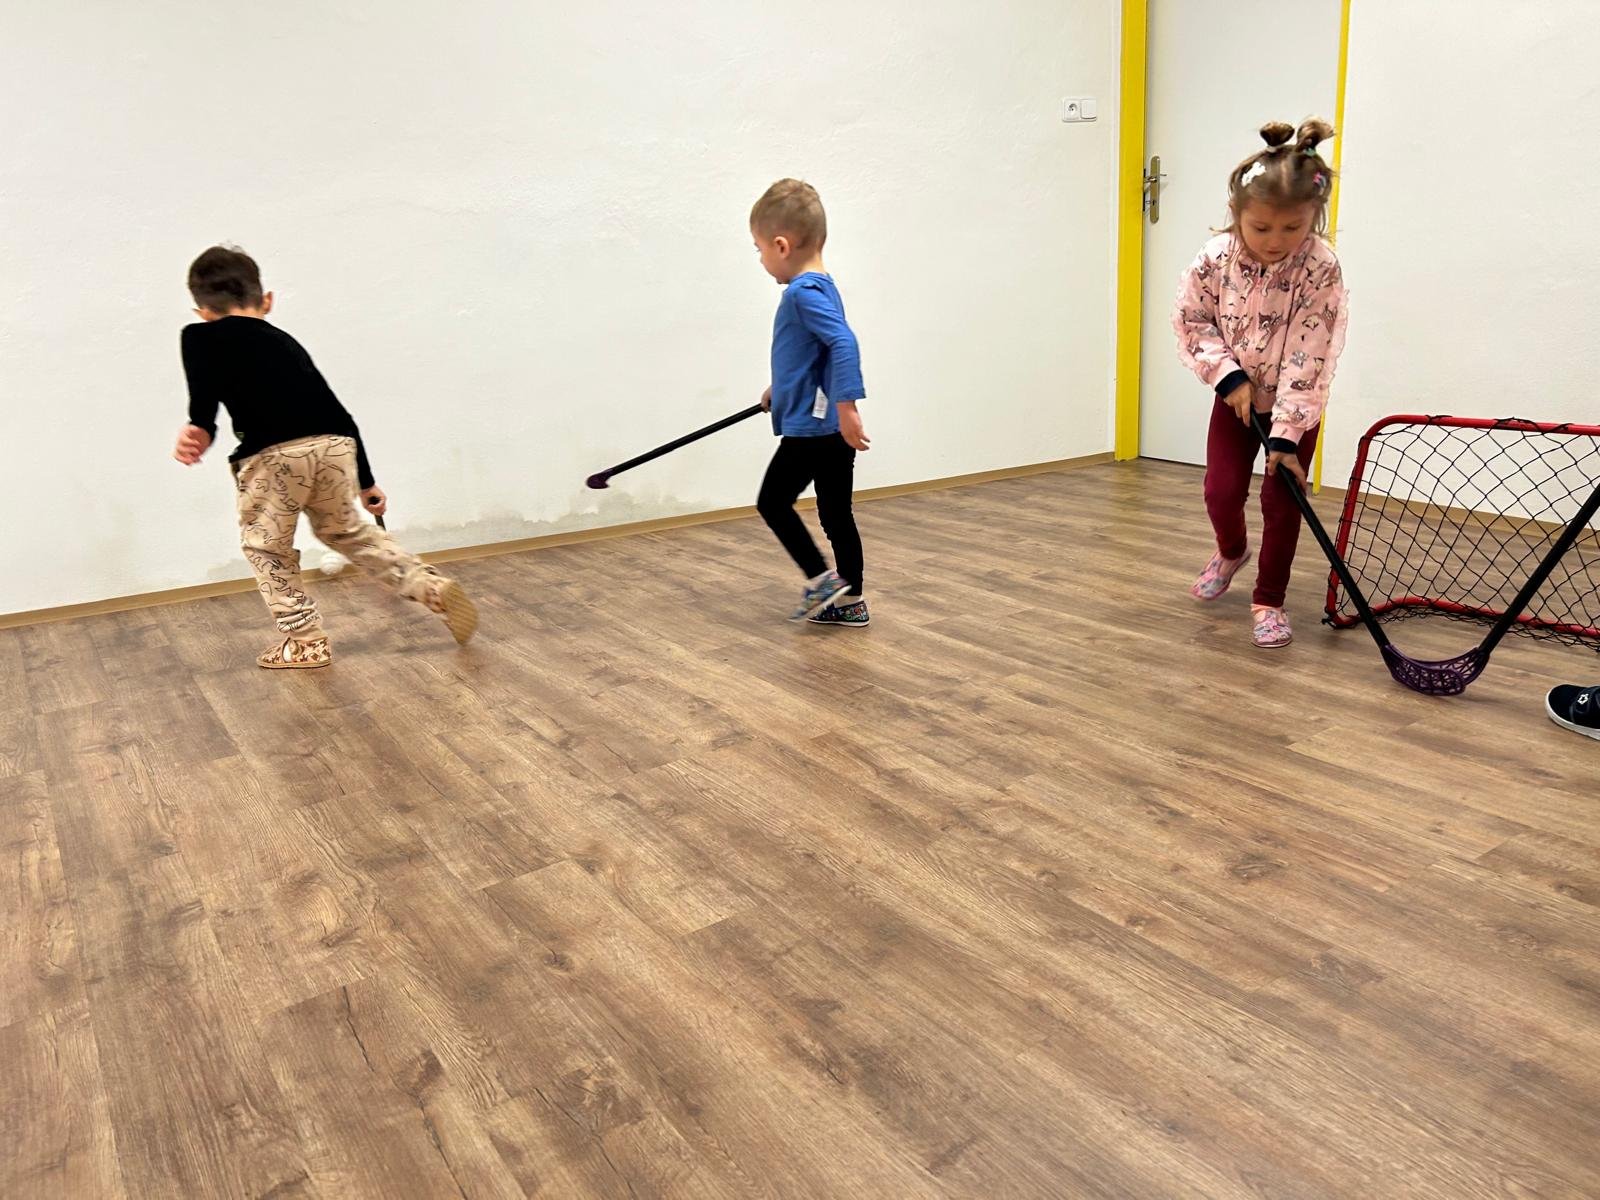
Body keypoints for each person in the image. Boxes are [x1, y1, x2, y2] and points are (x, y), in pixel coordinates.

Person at [173, 245, 477, 669]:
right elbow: (340, 414)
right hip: (335, 445)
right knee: (347, 531)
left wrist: (198, 431)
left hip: (273, 457)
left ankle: (305, 640)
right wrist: (366, 482)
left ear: (202, 311)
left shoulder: (198, 336)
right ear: (266, 301)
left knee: (268, 548)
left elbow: (203, 406)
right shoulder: (286, 342)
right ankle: (428, 586)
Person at [1174, 119, 1349, 648]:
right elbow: (1193, 320)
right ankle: (1231, 551)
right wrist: (1228, 378)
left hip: (1295, 405)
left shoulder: (1320, 267)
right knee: (1221, 490)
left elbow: (1309, 351)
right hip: (1236, 399)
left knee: (1282, 502)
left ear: (1315, 215)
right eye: (1262, 228)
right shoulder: (1214, 259)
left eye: (1293, 228)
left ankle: (1269, 600)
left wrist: (1286, 437)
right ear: (1237, 213)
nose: (1277, 241)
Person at [749, 179, 872, 627]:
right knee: (836, 513)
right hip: (829, 430)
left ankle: (821, 580)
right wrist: (780, 388)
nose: (760, 259)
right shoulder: (824, 287)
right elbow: (814, 352)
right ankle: (851, 600)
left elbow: (842, 342)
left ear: (781, 246)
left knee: (772, 502)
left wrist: (847, 405)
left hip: (812, 430)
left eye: (759, 249)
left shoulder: (801, 294)